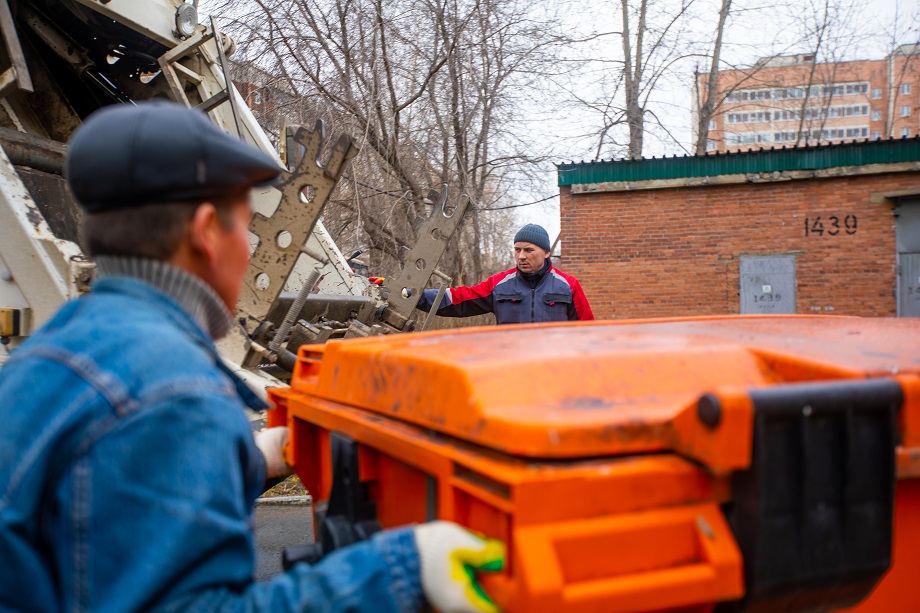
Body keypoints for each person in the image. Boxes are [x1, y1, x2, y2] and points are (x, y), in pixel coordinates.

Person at [0, 101, 503, 612]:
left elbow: (97, 505)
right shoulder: (170, 389)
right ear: (205, 232)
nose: (249, 249)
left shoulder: (58, 348)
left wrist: (249, 457)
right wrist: (400, 571)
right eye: (245, 225)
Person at [415, 223, 594, 324]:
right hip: (510, 371)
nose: (521, 256)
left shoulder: (568, 286)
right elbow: (460, 299)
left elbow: (587, 330)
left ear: (546, 253)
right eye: (517, 250)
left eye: (528, 250)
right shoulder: (500, 284)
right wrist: (414, 296)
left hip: (554, 372)